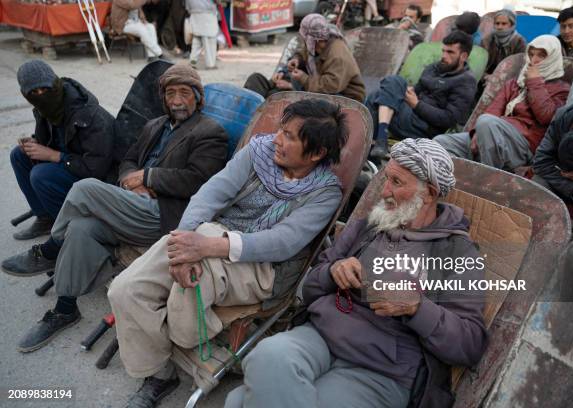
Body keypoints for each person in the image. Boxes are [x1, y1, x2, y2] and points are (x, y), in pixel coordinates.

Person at [108, 98, 348, 408]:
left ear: (316, 153)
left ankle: (193, 346)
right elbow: (212, 192)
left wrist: (208, 245)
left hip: (262, 266)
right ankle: (160, 372)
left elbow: (283, 242)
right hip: (205, 238)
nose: (277, 139)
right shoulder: (259, 152)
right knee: (126, 289)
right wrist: (185, 243)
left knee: (188, 297)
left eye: (289, 136)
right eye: (281, 130)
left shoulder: (325, 192)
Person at [225, 138, 487, 408]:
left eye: (396, 183)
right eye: (386, 179)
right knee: (267, 355)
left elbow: (470, 343)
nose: (384, 191)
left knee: (239, 402)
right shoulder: (370, 226)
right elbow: (309, 289)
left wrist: (417, 308)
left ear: (429, 193)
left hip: (380, 369)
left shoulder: (458, 252)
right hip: (320, 336)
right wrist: (332, 272)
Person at [2, 64, 228, 353]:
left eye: (185, 93)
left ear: (198, 97)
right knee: (82, 227)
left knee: (85, 189)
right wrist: (129, 182)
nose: (177, 100)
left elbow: (199, 180)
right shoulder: (155, 125)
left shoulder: (210, 132)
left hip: (166, 214)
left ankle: (49, 250)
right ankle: (65, 308)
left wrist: (148, 178)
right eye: (171, 93)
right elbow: (127, 160)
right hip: (135, 202)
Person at [8, 60, 114, 242]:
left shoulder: (88, 113)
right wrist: (35, 142)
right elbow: (57, 138)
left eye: (45, 89)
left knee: (40, 174)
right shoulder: (45, 109)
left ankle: (68, 234)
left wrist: (52, 155)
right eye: (34, 93)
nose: (41, 96)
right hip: (73, 164)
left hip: (102, 178)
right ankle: (46, 218)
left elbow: (97, 168)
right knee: (19, 155)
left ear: (55, 84)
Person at [434, 35, 570, 171]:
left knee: (487, 122)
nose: (533, 60)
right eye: (531, 54)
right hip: (494, 134)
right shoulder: (515, 83)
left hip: (522, 145)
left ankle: (487, 177)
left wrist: (534, 82)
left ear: (552, 58)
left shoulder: (561, 89)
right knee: (440, 142)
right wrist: (477, 132)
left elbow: (546, 116)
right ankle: (456, 178)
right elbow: (494, 109)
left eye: (541, 56)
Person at [367, 30, 477, 159]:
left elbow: (448, 119)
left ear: (463, 56)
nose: (444, 56)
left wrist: (416, 105)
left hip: (425, 128)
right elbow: (417, 90)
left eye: (450, 52)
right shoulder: (434, 68)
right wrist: (405, 92)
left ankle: (376, 144)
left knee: (377, 97)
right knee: (392, 84)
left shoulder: (466, 82)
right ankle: (379, 143)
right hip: (411, 115)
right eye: (443, 51)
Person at [244, 14, 365, 102]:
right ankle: (254, 115)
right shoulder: (316, 44)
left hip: (341, 98)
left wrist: (298, 83)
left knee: (278, 96)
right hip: (311, 89)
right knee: (255, 80)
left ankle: (262, 114)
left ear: (314, 39)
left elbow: (330, 87)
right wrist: (295, 61)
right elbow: (304, 54)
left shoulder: (338, 54)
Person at [481, 10, 526, 80]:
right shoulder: (487, 40)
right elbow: (479, 65)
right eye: (497, 23)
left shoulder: (519, 41)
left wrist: (498, 78)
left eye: (504, 24)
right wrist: (485, 76)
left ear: (511, 25)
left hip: (508, 80)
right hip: (486, 78)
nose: (500, 27)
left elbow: (519, 66)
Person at [186, 0, 219, 69]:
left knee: (197, 41)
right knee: (209, 42)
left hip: (194, 13)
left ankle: (192, 62)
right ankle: (210, 64)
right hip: (207, 14)